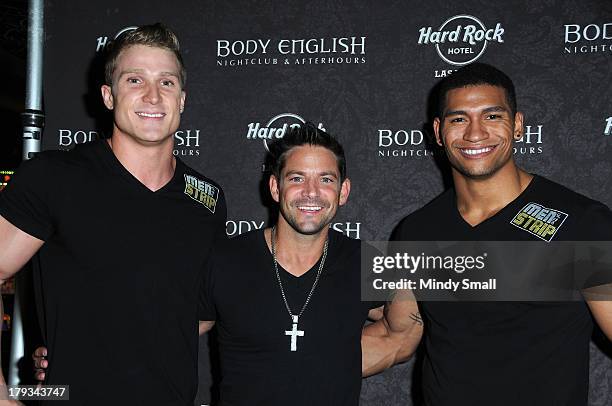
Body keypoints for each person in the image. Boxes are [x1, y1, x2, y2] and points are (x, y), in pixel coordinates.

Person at [0, 23, 226, 405]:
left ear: (183, 99)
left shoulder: (207, 199)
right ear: (108, 96)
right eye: (135, 80)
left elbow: (199, 313)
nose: (153, 96)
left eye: (167, 82)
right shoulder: (54, 178)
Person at [394, 62, 612, 405]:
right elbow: (399, 334)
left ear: (518, 124)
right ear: (438, 132)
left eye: (492, 116)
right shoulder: (417, 230)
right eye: (458, 119)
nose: (475, 133)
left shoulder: (581, 222)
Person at [196, 123, 423, 405]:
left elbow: (400, 335)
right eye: (297, 179)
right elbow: (170, 334)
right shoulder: (226, 260)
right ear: (275, 187)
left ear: (343, 191)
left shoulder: (367, 263)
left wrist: (336, 363)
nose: (311, 192)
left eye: (326, 180)